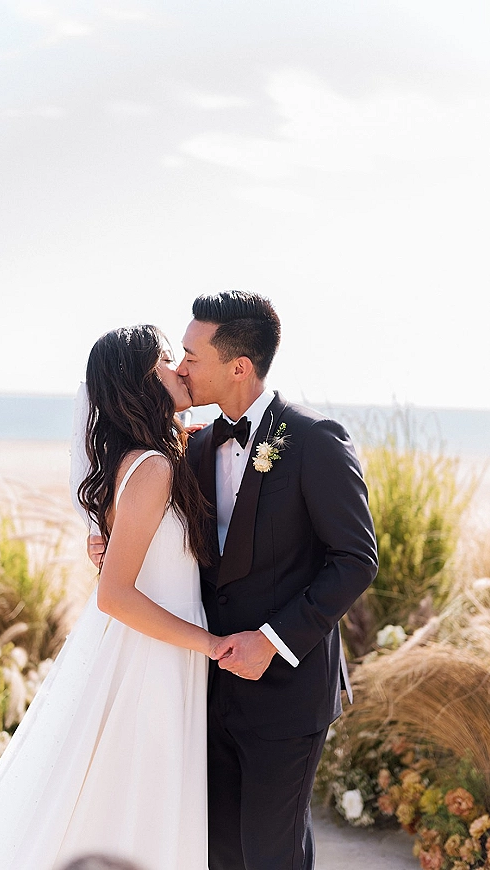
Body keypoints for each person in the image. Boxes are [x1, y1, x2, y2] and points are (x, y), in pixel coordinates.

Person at [0, 325, 217, 870]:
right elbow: (114, 595)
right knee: (141, 807)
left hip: (151, 647)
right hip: (152, 658)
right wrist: (209, 644)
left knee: (116, 800)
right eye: (167, 360)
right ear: (141, 380)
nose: (180, 369)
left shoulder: (152, 457)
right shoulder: (152, 467)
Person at [176, 290, 379, 870]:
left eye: (192, 357)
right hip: (210, 687)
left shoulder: (315, 440)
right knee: (219, 854)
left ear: (239, 366)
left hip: (288, 692)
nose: (180, 367)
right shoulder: (194, 446)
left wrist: (272, 639)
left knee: (273, 855)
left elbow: (355, 559)